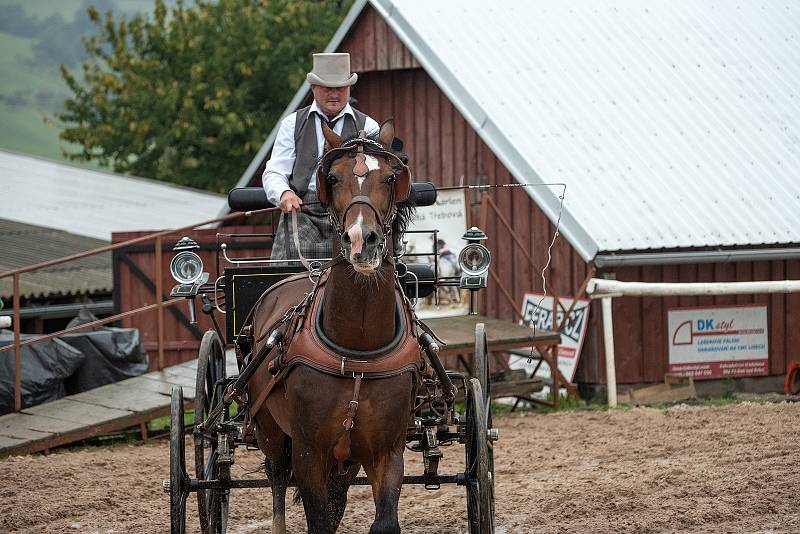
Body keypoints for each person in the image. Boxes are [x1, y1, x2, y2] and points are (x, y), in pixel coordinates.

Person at [263, 52, 380, 261]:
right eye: (328, 88)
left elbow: (376, 176)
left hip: (351, 212)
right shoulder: (292, 124)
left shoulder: (369, 127)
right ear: (313, 88)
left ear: (349, 88)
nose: (334, 94)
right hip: (303, 212)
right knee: (283, 270)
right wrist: (283, 193)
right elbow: (274, 171)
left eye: (340, 88)